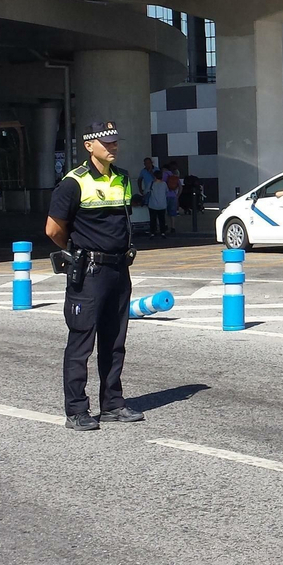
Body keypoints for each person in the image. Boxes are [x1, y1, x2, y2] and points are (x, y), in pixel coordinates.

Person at [45, 121, 143, 431]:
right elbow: (53, 229)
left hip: (118, 270)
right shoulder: (73, 183)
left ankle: (112, 404)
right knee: (82, 342)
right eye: (107, 143)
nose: (113, 147)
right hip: (89, 271)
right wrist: (78, 252)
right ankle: (76, 410)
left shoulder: (123, 178)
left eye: (115, 142)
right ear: (89, 146)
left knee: (114, 341)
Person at [146, 170, 168, 239]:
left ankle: (153, 233)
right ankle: (163, 232)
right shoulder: (164, 184)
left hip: (153, 204)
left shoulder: (151, 183)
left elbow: (145, 191)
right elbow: (166, 192)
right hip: (162, 204)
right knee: (162, 219)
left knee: (153, 219)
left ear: (154, 176)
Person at [163, 160, 182, 237]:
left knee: (164, 212)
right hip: (173, 196)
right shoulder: (174, 176)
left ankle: (165, 225)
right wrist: (177, 195)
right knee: (173, 213)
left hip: (165, 196)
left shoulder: (164, 175)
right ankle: (173, 227)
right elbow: (180, 187)